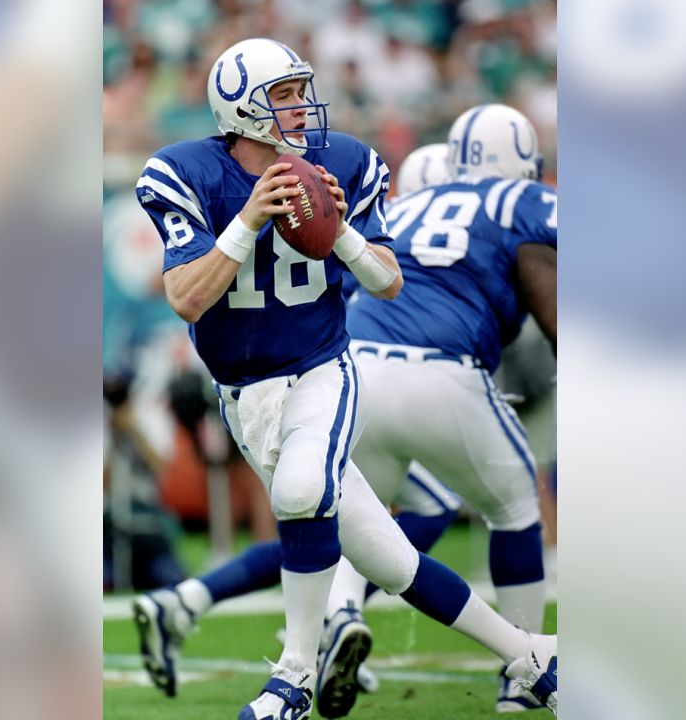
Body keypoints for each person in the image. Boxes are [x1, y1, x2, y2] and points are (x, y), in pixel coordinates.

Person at [133, 39, 558, 720]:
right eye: (285, 95)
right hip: (245, 394)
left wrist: (343, 235)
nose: (302, 106)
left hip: (322, 370)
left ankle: (292, 680)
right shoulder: (189, 173)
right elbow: (186, 297)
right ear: (242, 110)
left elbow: (388, 283)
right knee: (390, 560)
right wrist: (249, 218)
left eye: (303, 91)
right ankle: (531, 656)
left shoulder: (346, 164)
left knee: (303, 491)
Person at [326, 103, 559, 713]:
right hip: (442, 372)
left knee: (363, 518)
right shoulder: (516, 200)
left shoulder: (402, 206)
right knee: (514, 508)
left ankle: (341, 614)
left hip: (358, 368)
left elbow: (352, 284)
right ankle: (524, 673)